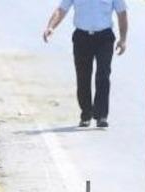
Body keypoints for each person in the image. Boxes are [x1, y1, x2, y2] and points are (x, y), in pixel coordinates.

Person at [43, 0, 128, 128]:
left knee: (103, 76)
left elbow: (122, 13)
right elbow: (61, 9)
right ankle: (86, 114)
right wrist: (51, 26)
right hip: (82, 37)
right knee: (83, 77)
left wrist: (123, 39)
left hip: (104, 37)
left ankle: (101, 115)